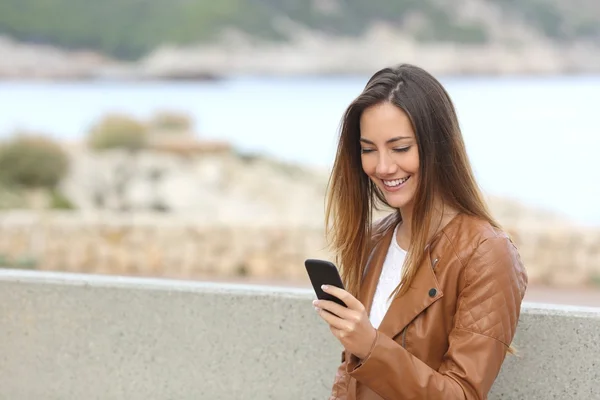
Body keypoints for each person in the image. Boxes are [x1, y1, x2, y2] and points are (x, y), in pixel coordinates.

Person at [313, 63, 528, 400]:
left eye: (400, 148)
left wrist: (371, 345)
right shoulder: (373, 241)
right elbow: (349, 372)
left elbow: (463, 394)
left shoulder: (486, 252)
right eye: (368, 149)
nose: (382, 167)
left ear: (437, 146)